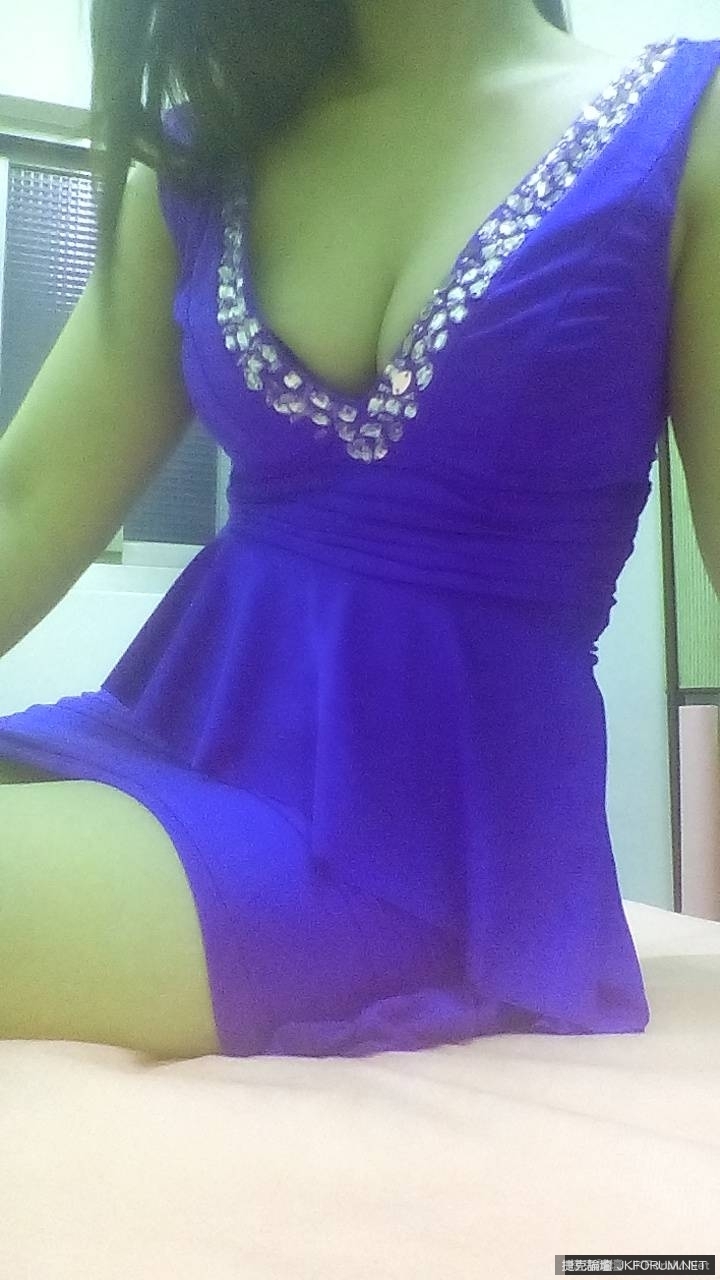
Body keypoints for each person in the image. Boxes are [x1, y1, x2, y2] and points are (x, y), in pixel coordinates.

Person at [0, 0, 718, 1062]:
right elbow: (24, 501)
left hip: (420, 846)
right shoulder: (200, 161)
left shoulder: (691, 129)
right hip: (168, 741)